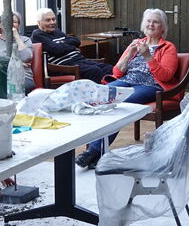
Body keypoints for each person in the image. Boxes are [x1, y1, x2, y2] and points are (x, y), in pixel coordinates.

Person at [74, 9, 178, 169]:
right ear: (144, 25)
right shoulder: (136, 44)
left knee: (117, 104)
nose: (151, 24)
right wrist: (130, 53)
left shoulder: (168, 48)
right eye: (148, 21)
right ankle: (94, 150)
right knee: (99, 97)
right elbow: (116, 72)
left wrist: (148, 56)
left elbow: (166, 76)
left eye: (155, 22)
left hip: (149, 85)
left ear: (162, 27)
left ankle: (93, 151)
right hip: (127, 80)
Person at [31, 8, 112, 83]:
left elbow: (76, 41)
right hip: (64, 66)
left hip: (79, 61)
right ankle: (98, 95)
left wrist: (62, 44)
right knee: (94, 71)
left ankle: (110, 92)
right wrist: (67, 44)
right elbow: (57, 49)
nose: (52, 22)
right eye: (48, 20)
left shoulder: (57, 32)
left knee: (108, 68)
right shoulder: (38, 35)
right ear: (39, 22)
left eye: (53, 19)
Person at [0, 13, 35, 93]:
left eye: (14, 22)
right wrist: (15, 63)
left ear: (18, 25)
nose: (10, 24)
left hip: (22, 76)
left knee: (14, 87)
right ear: (0, 25)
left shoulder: (25, 40)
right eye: (7, 21)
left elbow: (26, 57)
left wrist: (17, 37)